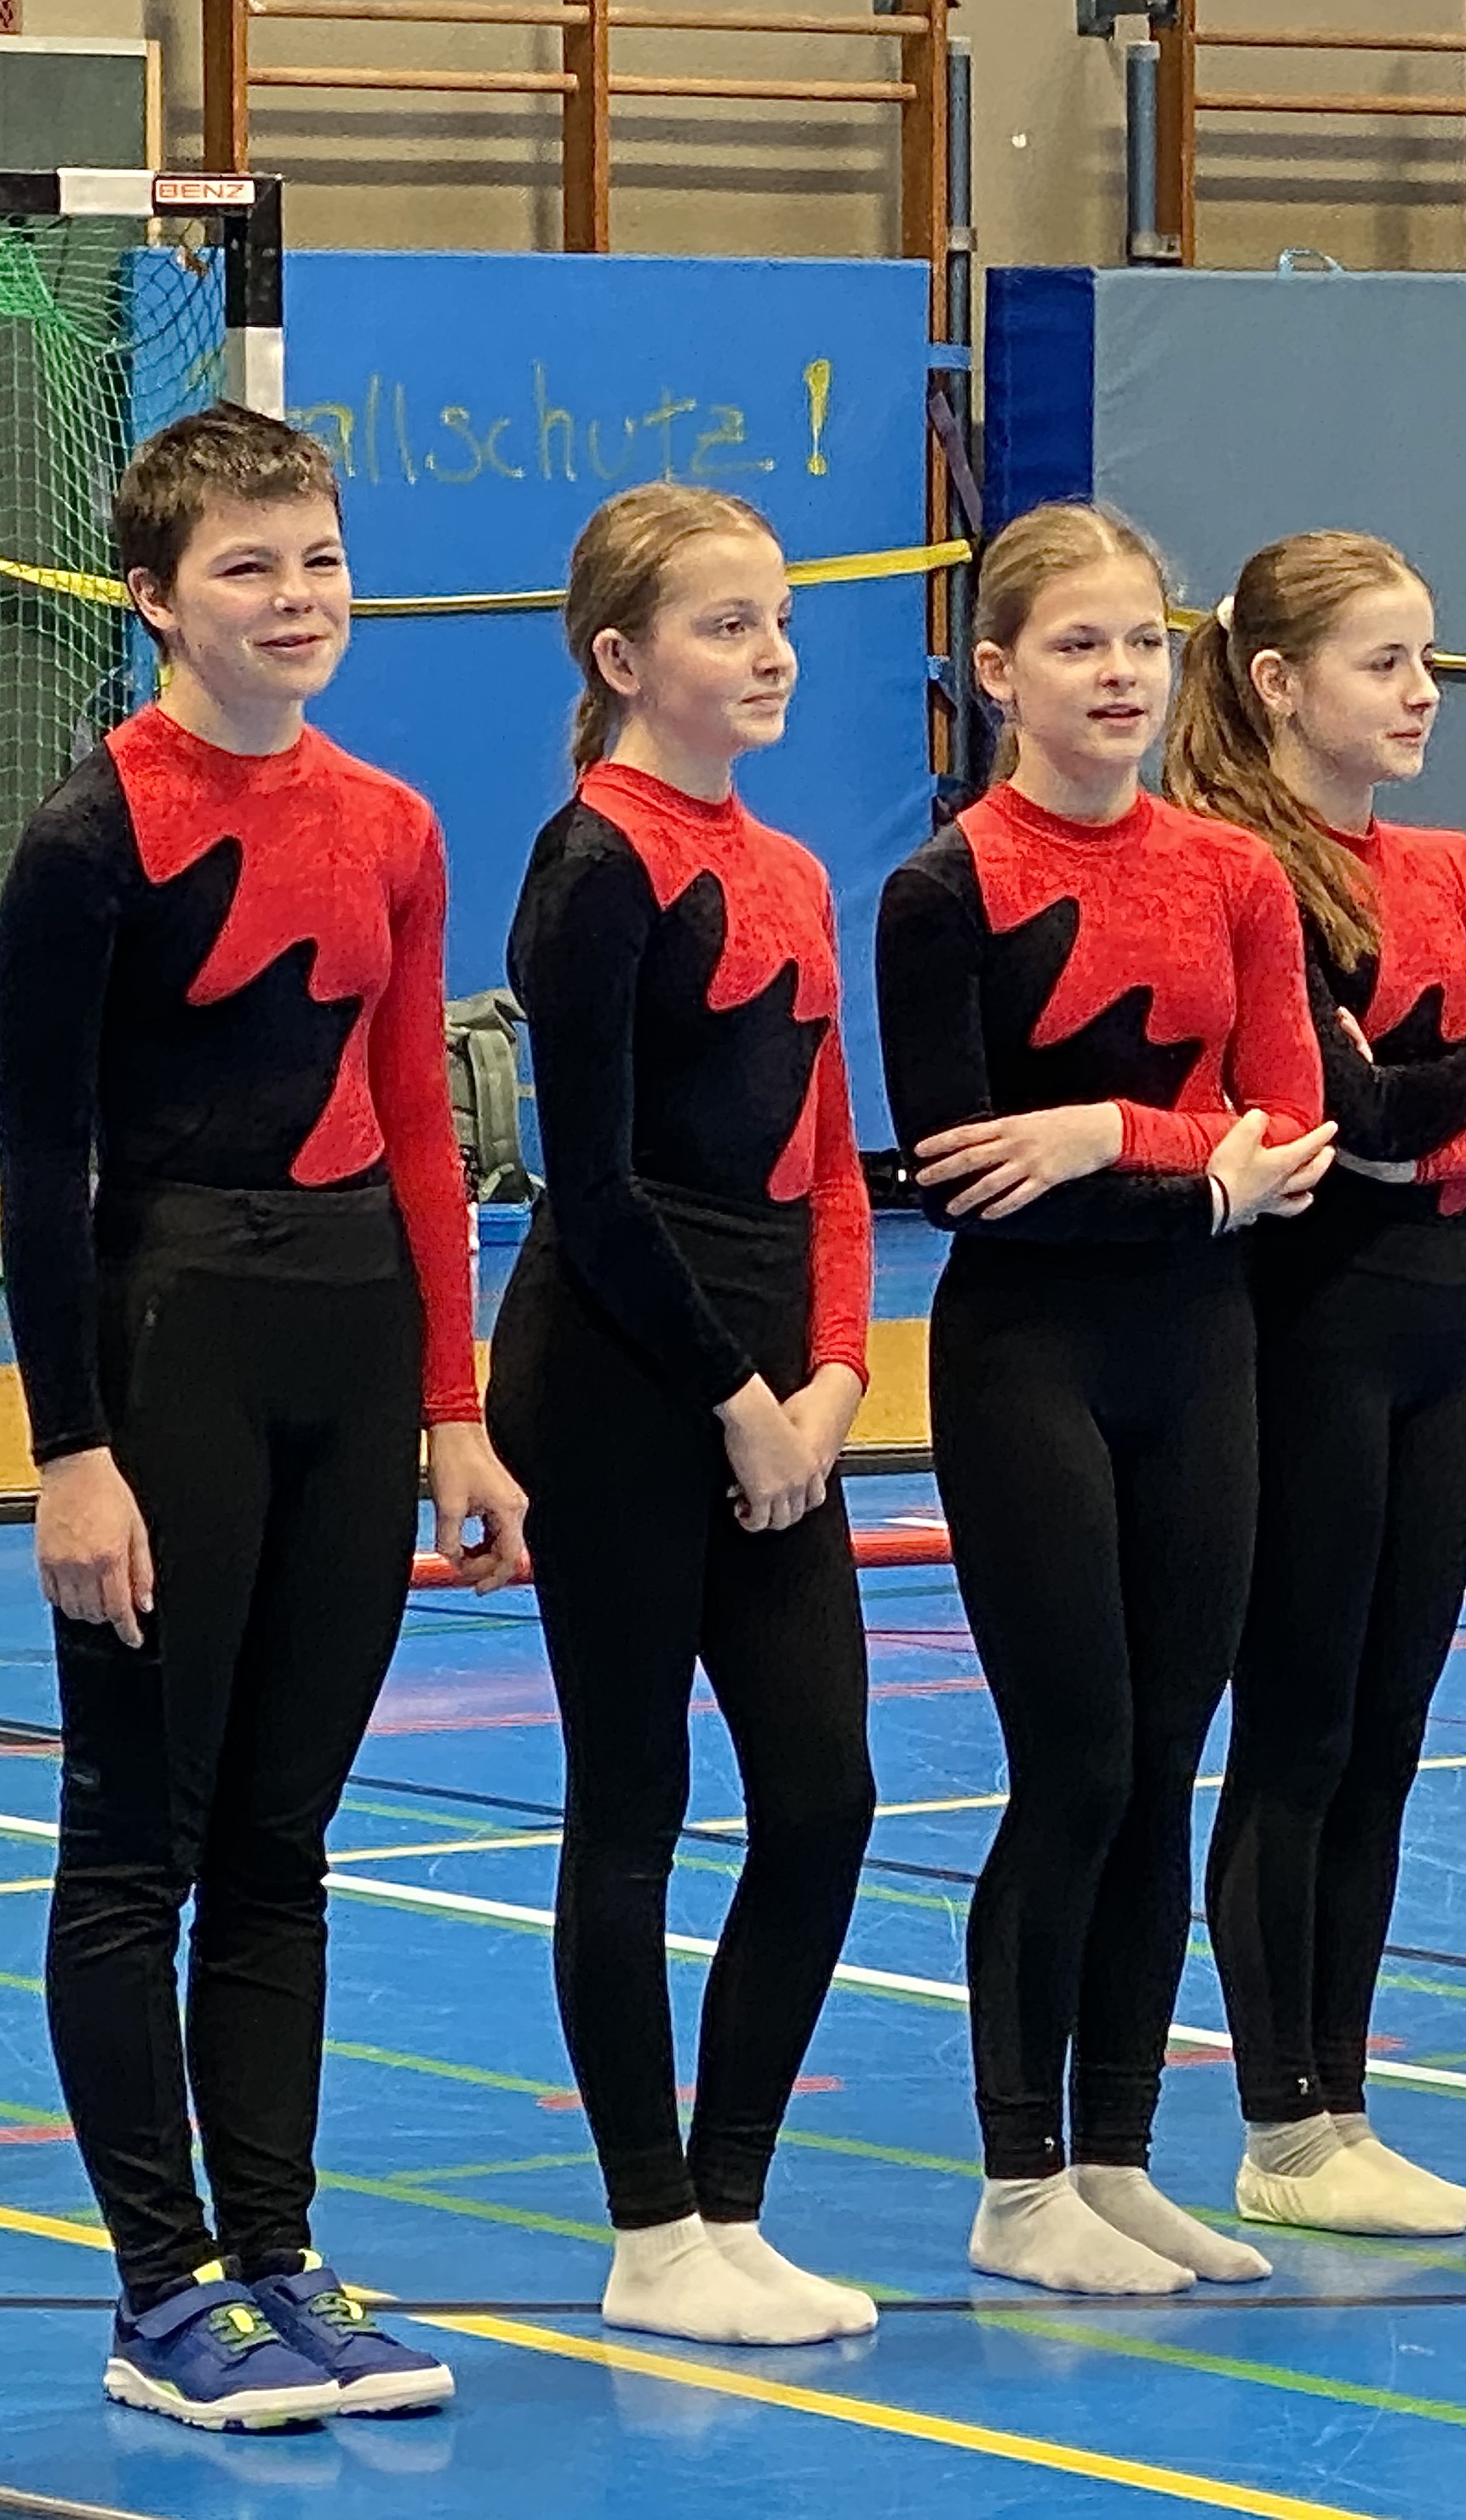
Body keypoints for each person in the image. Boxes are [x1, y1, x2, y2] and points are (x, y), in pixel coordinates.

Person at [0, 403, 527, 2428]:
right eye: (247, 568)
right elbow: (39, 1168)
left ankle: (282, 2254)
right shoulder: (91, 836)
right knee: (142, 1837)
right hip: (170, 1337)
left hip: (352, 1332)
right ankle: (161, 2288)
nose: (298, 600)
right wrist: (71, 1450)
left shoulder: (392, 823)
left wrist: (455, 1411)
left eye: (320, 560)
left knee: (283, 1837)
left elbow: (417, 1126)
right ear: (152, 599)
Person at [873, 500, 1334, 2295]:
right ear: (998, 672)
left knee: (1162, 1764)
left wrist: (1100, 1133)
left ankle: (1121, 2156)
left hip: (1199, 1354)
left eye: (1145, 641)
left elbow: (1290, 1130)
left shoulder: (1235, 875)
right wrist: (1187, 1169)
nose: (1122, 674)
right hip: (1029, 1360)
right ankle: (1018, 2180)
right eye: (1079, 644)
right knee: (1071, 1763)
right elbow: (960, 1169)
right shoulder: (947, 889)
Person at [486, 484, 878, 2344]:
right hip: (623, 1372)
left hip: (777, 1382)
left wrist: (836, 1380)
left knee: (823, 1796)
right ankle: (650, 2230)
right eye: (729, 625)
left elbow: (833, 1168)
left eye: (779, 617)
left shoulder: (787, 868)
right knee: (632, 1796)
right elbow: (593, 1184)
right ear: (622, 659)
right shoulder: (594, 862)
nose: (774, 651)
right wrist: (738, 1401)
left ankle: (733, 2202)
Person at [1171, 533, 1466, 2237]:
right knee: (1298, 1728)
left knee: (1390, 1733)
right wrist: (1431, 1098)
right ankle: (1279, 2128)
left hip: (1436, 1334)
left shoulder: (1452, 867)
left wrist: (1422, 1139)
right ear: (1278, 684)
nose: (1425, 693)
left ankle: (1342, 2101)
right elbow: (1332, 1107)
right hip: (1299, 1341)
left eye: (1427, 658)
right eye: (1386, 663)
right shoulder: (1235, 868)